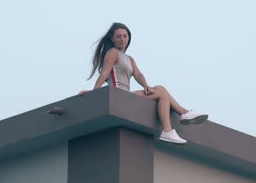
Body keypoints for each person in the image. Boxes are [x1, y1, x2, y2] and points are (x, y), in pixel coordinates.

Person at [79, 22, 207, 144]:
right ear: (112, 39)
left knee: (160, 91)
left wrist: (146, 86)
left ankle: (171, 127)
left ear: (129, 38)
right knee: (161, 91)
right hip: (118, 95)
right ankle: (181, 116)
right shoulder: (112, 53)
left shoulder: (129, 59)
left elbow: (138, 74)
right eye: (118, 36)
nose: (122, 39)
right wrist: (94, 93)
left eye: (125, 36)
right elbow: (105, 73)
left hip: (126, 95)